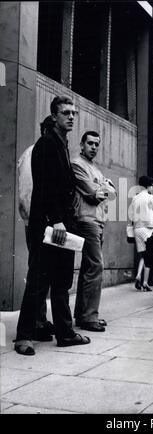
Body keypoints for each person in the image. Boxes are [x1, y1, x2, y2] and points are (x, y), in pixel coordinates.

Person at [14, 95, 91, 355]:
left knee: (61, 281)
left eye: (73, 113)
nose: (71, 116)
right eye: (65, 113)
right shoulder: (46, 144)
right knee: (38, 280)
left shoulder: (61, 144)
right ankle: (23, 336)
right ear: (54, 116)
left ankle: (65, 333)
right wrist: (56, 220)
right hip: (50, 225)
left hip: (62, 226)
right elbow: (45, 186)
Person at [71, 131, 116, 332]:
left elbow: (112, 194)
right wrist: (103, 186)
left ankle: (84, 314)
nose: (94, 147)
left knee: (90, 267)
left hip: (98, 221)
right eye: (90, 143)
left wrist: (103, 188)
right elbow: (94, 194)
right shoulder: (77, 164)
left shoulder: (95, 168)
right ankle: (89, 317)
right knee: (96, 266)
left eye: (97, 144)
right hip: (86, 220)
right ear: (82, 145)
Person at [17, 116, 56, 341]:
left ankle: (39, 321)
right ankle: (32, 325)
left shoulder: (37, 152)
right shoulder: (35, 153)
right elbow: (27, 193)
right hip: (40, 223)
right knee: (39, 276)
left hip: (39, 222)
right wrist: (37, 220)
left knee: (43, 275)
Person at [130, 175, 153, 292]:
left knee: (142, 254)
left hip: (137, 228)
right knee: (149, 256)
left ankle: (138, 275)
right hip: (148, 228)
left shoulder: (135, 198)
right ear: (149, 185)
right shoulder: (151, 198)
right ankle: (145, 282)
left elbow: (131, 215)